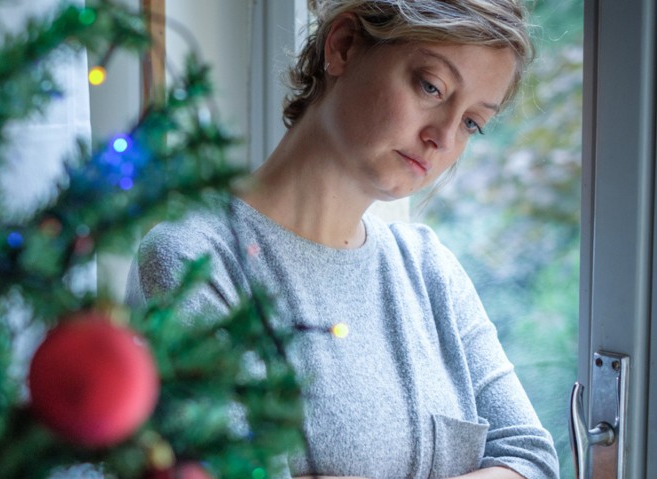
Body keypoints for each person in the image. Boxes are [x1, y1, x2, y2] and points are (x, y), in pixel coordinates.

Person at [126, 0, 561, 477]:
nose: (444, 137)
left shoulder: (430, 270)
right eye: (431, 86)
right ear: (344, 46)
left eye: (471, 122)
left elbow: (531, 459)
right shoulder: (195, 261)